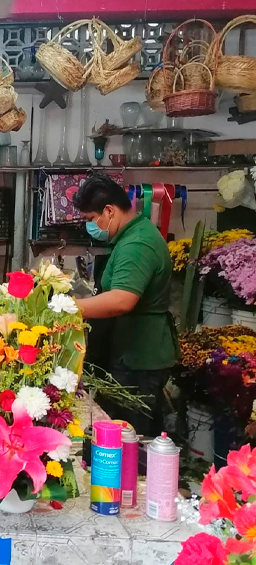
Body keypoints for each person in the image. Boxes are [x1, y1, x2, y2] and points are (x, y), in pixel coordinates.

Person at [72, 174, 178, 437]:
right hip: (132, 354)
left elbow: (122, 299)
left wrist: (69, 307)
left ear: (109, 211)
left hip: (139, 359)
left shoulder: (137, 244)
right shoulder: (131, 236)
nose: (90, 226)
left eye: (90, 219)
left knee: (130, 437)